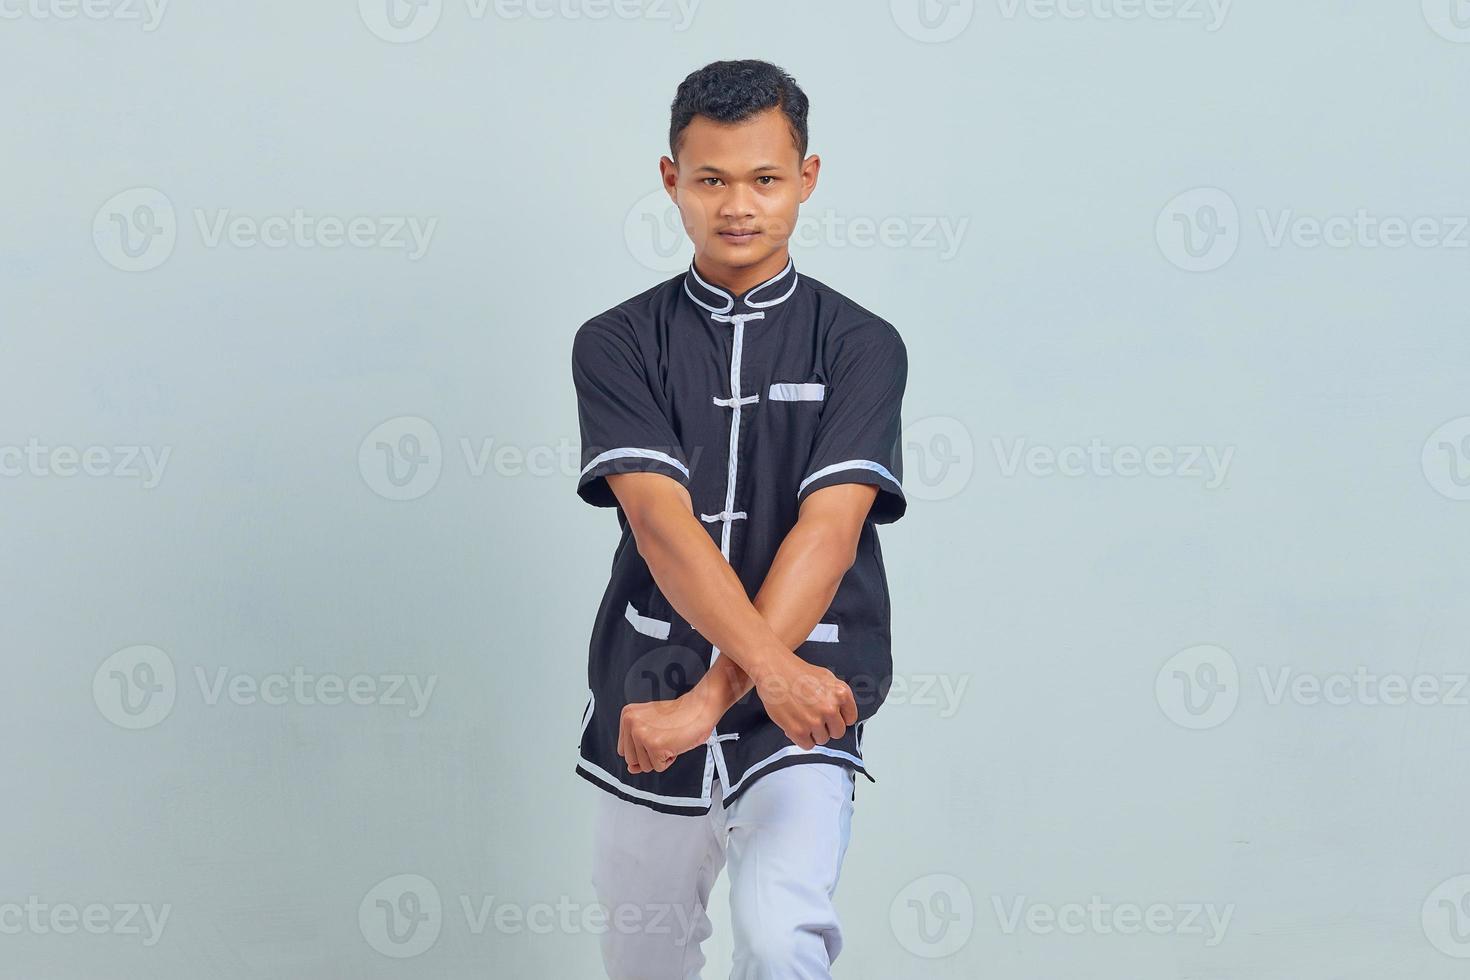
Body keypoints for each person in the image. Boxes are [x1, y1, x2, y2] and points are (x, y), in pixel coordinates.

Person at [570, 58, 909, 979]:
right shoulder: (616, 342)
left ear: (806, 178)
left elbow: (830, 533)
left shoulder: (862, 344)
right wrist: (714, 690)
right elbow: (661, 526)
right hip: (645, 690)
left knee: (781, 935)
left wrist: (725, 697)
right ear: (672, 179)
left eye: (764, 178)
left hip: (810, 693)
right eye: (711, 179)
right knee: (643, 955)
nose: (738, 205)